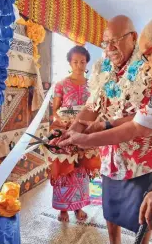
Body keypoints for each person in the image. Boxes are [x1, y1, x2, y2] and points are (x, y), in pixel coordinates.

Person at [59, 16, 152, 244]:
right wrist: (85, 135)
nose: (147, 67)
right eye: (105, 43)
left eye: (148, 56)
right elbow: (136, 125)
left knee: (141, 223)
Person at [59, 15, 152, 244]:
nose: (110, 48)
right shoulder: (103, 67)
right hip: (111, 158)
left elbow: (140, 121)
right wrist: (73, 130)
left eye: (115, 41)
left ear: (133, 37)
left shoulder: (150, 67)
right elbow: (92, 105)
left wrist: (90, 137)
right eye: (106, 42)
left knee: (142, 217)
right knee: (111, 210)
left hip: (143, 159)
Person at [50, 45, 100, 222]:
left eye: (82, 61)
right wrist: (62, 122)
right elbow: (55, 110)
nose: (79, 65)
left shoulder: (92, 85)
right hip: (64, 130)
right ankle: (63, 208)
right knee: (64, 169)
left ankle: (78, 207)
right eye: (75, 62)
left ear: (87, 63)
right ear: (70, 63)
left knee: (81, 168)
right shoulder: (61, 84)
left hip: (84, 130)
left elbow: (95, 108)